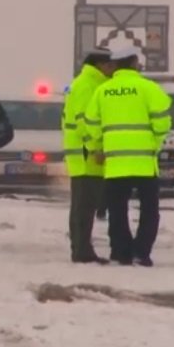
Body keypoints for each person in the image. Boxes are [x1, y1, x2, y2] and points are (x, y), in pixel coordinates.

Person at [84, 46, 172, 266]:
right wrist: (155, 142)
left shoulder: (103, 91)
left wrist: (99, 145)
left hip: (115, 164)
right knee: (149, 210)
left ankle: (121, 252)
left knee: (117, 210)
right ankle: (141, 252)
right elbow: (163, 121)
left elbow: (91, 123)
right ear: (134, 63)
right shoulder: (148, 88)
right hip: (144, 162)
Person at [62, 47, 115, 264]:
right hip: (86, 156)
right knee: (84, 207)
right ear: (101, 65)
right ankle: (82, 251)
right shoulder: (88, 85)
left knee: (82, 206)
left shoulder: (83, 83)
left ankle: (81, 248)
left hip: (81, 155)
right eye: (110, 65)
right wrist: (95, 148)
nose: (113, 69)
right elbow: (85, 121)